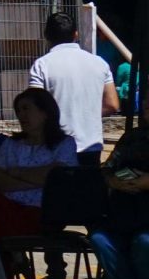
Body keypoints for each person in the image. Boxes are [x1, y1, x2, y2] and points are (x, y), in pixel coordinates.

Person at [0, 88, 80, 278]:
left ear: (45, 112)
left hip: (42, 211)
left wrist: (16, 173)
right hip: (6, 206)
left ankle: (15, 258)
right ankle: (11, 266)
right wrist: (36, 179)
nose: (22, 115)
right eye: (18, 110)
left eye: (27, 109)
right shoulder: (11, 144)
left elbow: (56, 178)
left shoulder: (64, 144)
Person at [29, 9, 117, 164]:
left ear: (46, 36)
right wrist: (86, 114)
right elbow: (112, 104)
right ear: (76, 34)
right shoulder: (99, 63)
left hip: (55, 144)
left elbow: (34, 106)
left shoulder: (42, 65)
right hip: (91, 146)